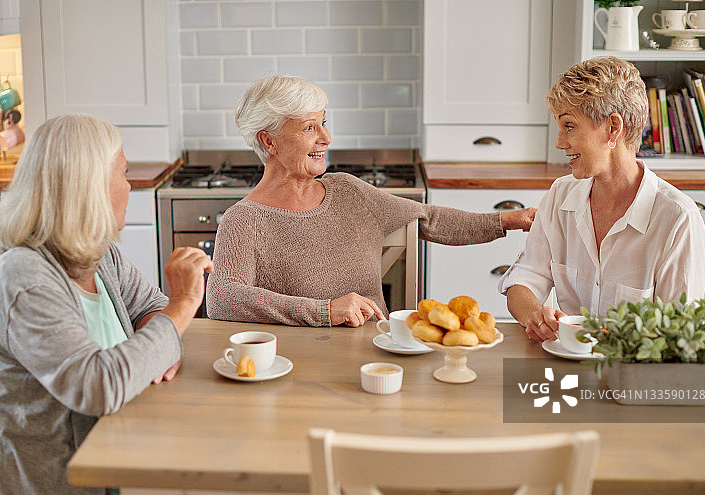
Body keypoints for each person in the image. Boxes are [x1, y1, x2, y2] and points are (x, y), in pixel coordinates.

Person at [0, 115, 213, 495]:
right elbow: (98, 386)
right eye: (123, 172)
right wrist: (185, 304)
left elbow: (150, 310)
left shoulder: (100, 255)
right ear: (91, 187)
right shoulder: (24, 279)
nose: (131, 185)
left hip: (101, 471)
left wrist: (161, 340)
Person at [206, 74, 536, 327]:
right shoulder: (244, 220)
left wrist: (507, 220)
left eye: (324, 123)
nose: (326, 137)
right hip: (294, 365)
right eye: (309, 127)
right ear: (269, 141)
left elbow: (429, 218)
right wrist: (325, 311)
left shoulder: (348, 191)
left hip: (376, 352)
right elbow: (223, 299)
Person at [499, 56, 705, 343]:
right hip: (567, 370)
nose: (560, 142)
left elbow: (678, 337)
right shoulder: (560, 196)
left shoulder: (678, 219)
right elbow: (523, 279)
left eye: (569, 126)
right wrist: (534, 315)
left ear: (613, 128)